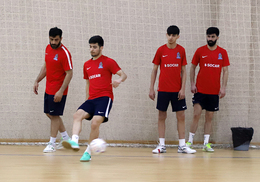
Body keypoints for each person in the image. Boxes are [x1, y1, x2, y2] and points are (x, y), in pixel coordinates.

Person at [62, 35, 127, 162]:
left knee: (95, 123)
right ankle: (74, 141)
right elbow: (87, 83)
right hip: (91, 99)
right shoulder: (86, 65)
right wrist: (86, 99)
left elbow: (123, 74)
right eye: (90, 47)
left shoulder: (108, 61)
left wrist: (118, 80)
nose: (92, 49)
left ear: (101, 48)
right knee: (77, 115)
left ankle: (87, 152)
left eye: (95, 47)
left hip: (104, 98)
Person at [149, 25, 196, 154]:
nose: (171, 37)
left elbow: (184, 71)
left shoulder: (181, 50)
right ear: (166, 35)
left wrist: (182, 89)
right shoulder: (160, 50)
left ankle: (182, 145)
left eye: (173, 35)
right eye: (169, 35)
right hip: (163, 90)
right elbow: (154, 70)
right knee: (161, 115)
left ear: (178, 37)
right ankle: (162, 145)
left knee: (181, 116)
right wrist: (151, 88)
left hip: (177, 90)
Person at [186, 27, 230, 152]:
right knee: (196, 114)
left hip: (214, 91)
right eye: (208, 36)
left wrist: (223, 87)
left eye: (212, 37)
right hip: (200, 90)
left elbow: (225, 71)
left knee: (209, 117)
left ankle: (206, 143)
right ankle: (190, 141)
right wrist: (192, 83)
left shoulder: (223, 52)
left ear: (217, 38)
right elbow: (193, 67)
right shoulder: (200, 51)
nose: (210, 39)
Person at [33, 27, 73, 153]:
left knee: (54, 115)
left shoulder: (65, 53)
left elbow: (69, 73)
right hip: (48, 88)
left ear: (61, 38)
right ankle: (66, 138)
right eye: (51, 39)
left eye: (56, 40)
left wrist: (61, 91)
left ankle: (52, 143)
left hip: (59, 90)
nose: (54, 42)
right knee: (49, 113)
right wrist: (37, 80)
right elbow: (46, 66)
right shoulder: (48, 48)